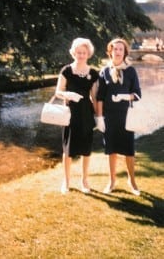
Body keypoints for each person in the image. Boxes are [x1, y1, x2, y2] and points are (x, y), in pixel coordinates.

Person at [96, 38, 141, 196]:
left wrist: (125, 97)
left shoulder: (130, 71)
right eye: (115, 49)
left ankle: (132, 181)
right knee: (111, 150)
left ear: (125, 52)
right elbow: (99, 97)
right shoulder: (104, 71)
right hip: (109, 117)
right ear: (110, 51)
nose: (118, 51)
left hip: (126, 117)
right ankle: (112, 181)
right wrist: (99, 118)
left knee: (129, 151)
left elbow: (137, 95)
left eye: (121, 49)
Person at [55, 37, 98, 194]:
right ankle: (66, 182)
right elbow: (58, 92)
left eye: (84, 52)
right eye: (78, 52)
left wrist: (99, 117)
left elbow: (94, 97)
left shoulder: (93, 73)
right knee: (68, 150)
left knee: (86, 149)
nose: (81, 55)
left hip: (86, 114)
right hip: (70, 114)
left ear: (88, 54)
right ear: (73, 53)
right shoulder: (66, 71)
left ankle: (84, 180)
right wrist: (69, 94)